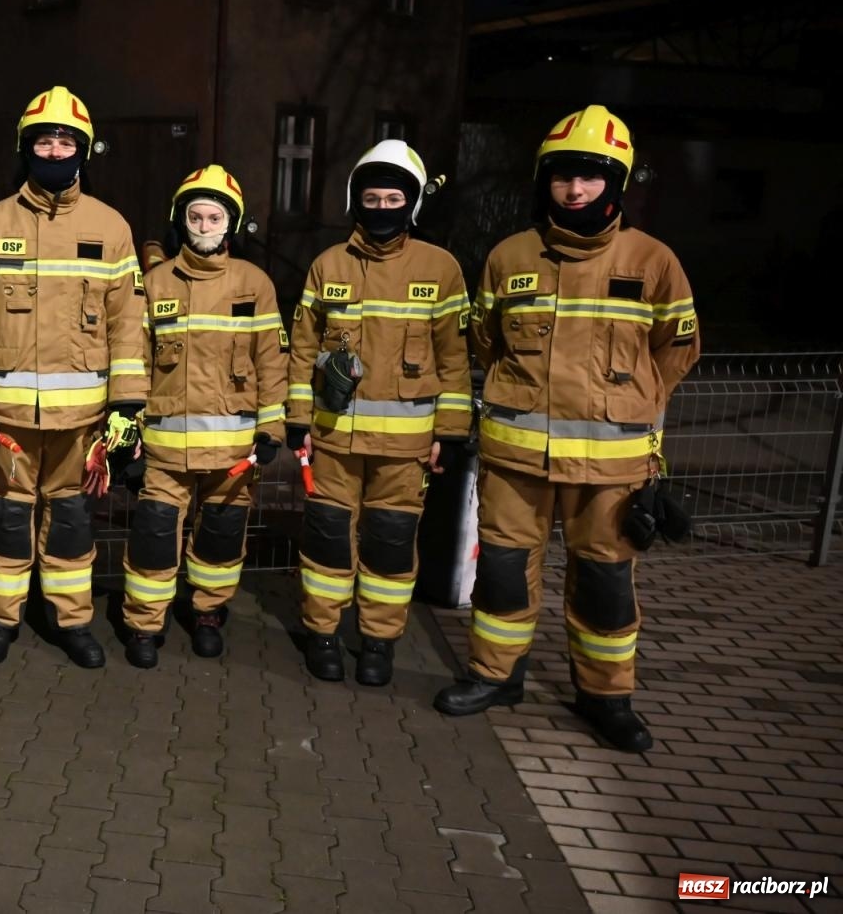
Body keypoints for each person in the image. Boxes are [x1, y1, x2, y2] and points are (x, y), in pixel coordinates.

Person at [433, 105, 700, 753]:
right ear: (543, 180)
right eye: (562, 177)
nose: (575, 190)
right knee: (501, 573)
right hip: (515, 462)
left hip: (611, 471)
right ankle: (497, 677)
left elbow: (677, 351)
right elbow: (486, 341)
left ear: (617, 181)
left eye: (591, 177)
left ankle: (606, 697)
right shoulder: (509, 257)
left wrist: (635, 406)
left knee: (605, 585)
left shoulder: (654, 261)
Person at [0, 86, 147, 668]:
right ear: (26, 147)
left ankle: (70, 622)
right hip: (7, 418)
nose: (56, 150)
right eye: (45, 139)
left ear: (83, 150)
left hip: (82, 420)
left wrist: (127, 406)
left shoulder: (110, 227)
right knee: (7, 517)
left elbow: (128, 324)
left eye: (67, 140)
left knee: (69, 520)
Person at [286, 140, 471, 687]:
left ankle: (378, 643)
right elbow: (301, 349)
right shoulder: (328, 265)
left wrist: (452, 432)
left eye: (395, 198)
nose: (383, 207)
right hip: (333, 440)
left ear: (411, 204)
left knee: (390, 549)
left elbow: (455, 359)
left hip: (405, 448)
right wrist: (297, 419)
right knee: (325, 540)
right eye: (373, 197)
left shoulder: (441, 269)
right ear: (355, 201)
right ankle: (321, 635)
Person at [121, 166, 287, 666]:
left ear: (230, 223)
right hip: (164, 450)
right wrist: (128, 432)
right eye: (196, 215)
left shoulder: (255, 284)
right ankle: (144, 625)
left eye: (215, 216)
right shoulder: (153, 283)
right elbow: (135, 363)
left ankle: (209, 613)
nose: (205, 224)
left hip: (232, 454)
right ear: (181, 219)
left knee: (220, 537)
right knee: (152, 539)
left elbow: (271, 362)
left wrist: (271, 428)